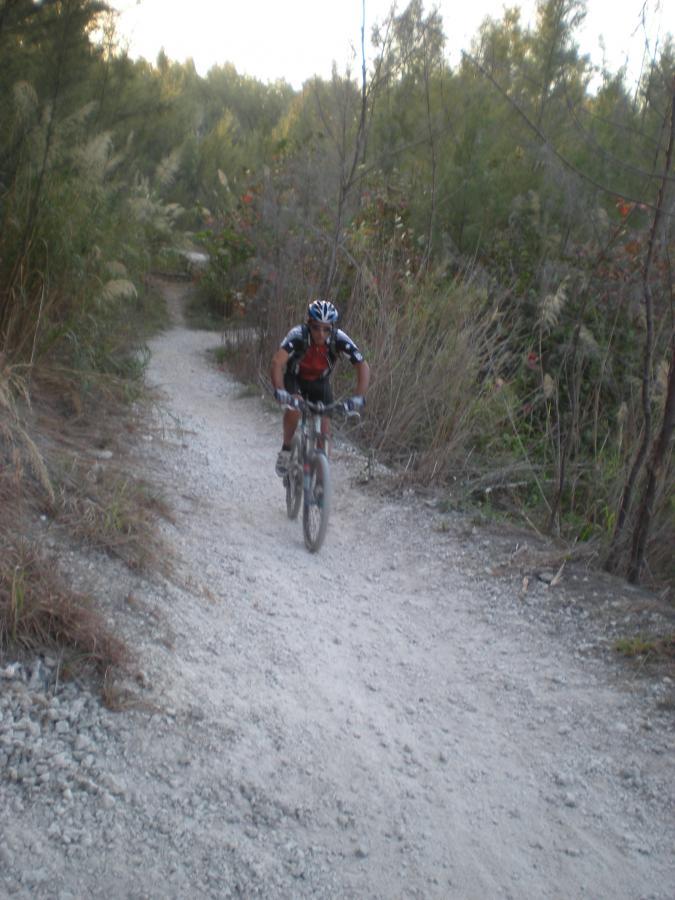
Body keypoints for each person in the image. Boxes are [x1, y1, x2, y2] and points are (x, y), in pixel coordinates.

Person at [270, 299, 370, 476]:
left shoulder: (338, 339)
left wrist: (358, 397)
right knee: (294, 407)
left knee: (325, 427)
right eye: (316, 327)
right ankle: (286, 450)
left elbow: (362, 365)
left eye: (326, 329)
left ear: (332, 327)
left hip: (320, 383)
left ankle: (321, 476)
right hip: (296, 379)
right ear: (309, 324)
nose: (321, 334)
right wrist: (280, 390)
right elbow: (278, 361)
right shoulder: (298, 335)